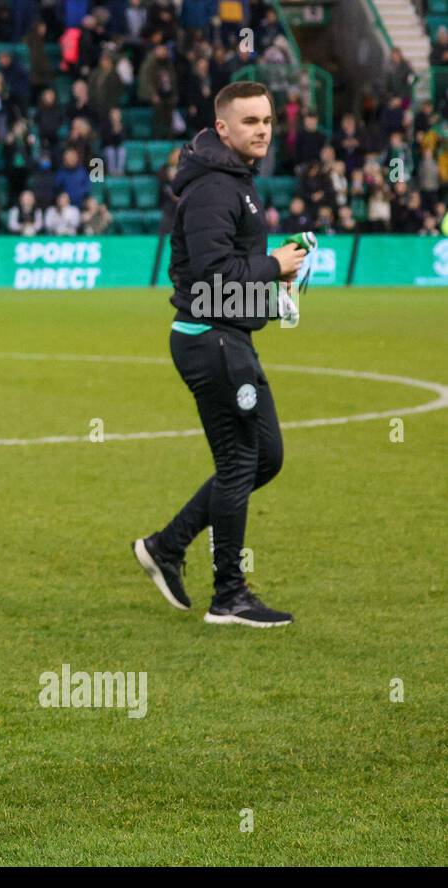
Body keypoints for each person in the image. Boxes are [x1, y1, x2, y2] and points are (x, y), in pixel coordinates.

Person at [133, 82, 307, 627]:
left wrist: (271, 296)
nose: (262, 129)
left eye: (268, 120)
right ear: (223, 128)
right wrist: (274, 266)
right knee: (239, 464)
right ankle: (228, 595)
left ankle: (167, 545)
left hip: (227, 335)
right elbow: (212, 278)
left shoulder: (234, 181)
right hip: (211, 341)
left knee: (265, 458)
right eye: (251, 121)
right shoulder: (215, 187)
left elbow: (225, 277)